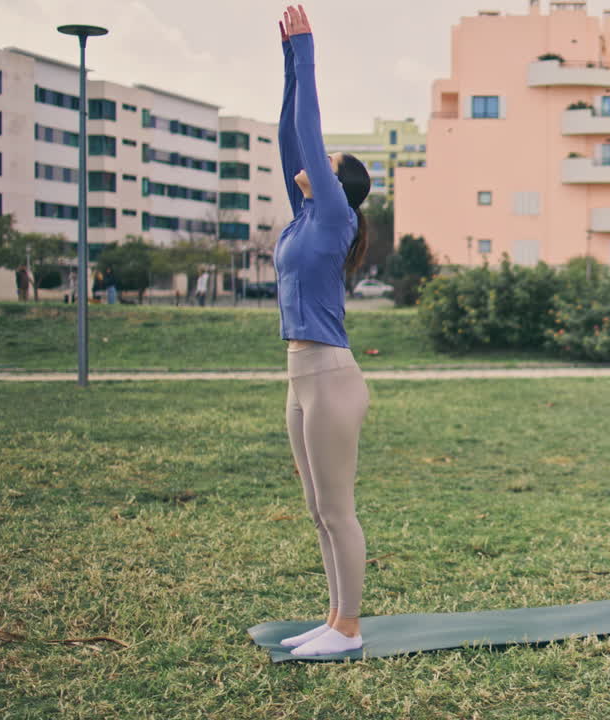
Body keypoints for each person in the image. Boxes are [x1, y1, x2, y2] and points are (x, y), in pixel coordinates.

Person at [272, 4, 372, 659]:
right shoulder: (304, 215)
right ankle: (333, 617)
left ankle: (351, 629)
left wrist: (307, 54)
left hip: (331, 379)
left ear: (340, 184)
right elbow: (290, 137)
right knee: (316, 511)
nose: (313, 159)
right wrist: (285, 63)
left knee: (337, 509)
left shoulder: (334, 217)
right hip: (299, 378)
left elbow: (307, 133)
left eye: (327, 160)